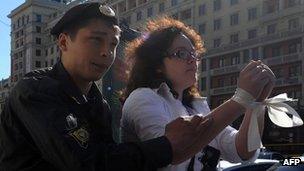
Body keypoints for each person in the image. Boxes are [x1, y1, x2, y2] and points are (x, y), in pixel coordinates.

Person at [0, 3, 218, 171]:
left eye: (113, 44)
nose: (107, 52)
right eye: (96, 40)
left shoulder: (97, 103)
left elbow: (109, 156)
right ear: (64, 43)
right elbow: (87, 164)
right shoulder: (34, 91)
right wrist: (167, 145)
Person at [120, 17, 275, 171]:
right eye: (181, 53)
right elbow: (171, 157)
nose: (192, 60)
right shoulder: (142, 97)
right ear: (157, 64)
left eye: (194, 54)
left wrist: (257, 102)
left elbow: (243, 151)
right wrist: (241, 99)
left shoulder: (196, 106)